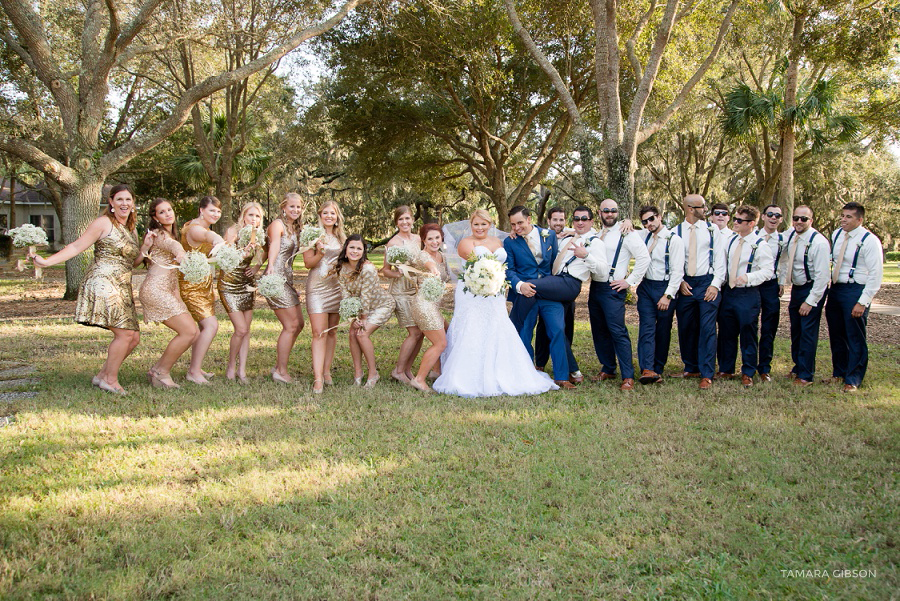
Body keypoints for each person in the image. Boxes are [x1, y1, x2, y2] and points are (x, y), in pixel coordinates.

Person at [30, 184, 145, 395]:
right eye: (119, 199)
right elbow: (76, 246)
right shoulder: (103, 223)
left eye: (128, 200)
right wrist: (47, 262)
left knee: (133, 337)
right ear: (111, 202)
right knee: (125, 334)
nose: (124, 204)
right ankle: (111, 380)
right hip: (102, 281)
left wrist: (146, 249)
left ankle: (102, 376)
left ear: (133, 203)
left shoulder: (131, 229)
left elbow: (133, 262)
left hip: (122, 284)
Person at [434, 209, 558, 397]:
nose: (480, 228)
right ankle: (467, 374)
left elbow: (505, 262)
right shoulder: (465, 243)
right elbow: (479, 263)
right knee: (473, 328)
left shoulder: (500, 241)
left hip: (495, 293)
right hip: (473, 292)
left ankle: (505, 370)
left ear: (490, 225)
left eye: (484, 224)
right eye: (476, 224)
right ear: (471, 225)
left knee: (497, 327)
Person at [504, 206, 573, 389]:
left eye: (520, 223)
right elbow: (508, 270)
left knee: (558, 329)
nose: (517, 228)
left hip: (549, 293)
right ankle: (527, 374)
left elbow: (554, 263)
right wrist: (520, 286)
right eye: (513, 224)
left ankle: (562, 376)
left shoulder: (548, 235)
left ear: (529, 219)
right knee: (524, 333)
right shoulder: (510, 242)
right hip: (525, 293)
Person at [587, 198, 650, 390]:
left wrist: (629, 282)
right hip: (595, 288)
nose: (609, 214)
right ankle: (608, 368)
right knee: (599, 330)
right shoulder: (596, 234)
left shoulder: (627, 233)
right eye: (606, 211)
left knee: (618, 332)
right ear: (599, 213)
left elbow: (644, 258)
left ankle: (628, 375)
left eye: (613, 211)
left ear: (618, 212)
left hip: (613, 289)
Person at [139, 198, 199, 389]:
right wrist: (181, 254)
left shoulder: (169, 235)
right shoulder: (159, 235)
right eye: (162, 212)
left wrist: (179, 299)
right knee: (188, 331)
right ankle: (161, 372)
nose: (168, 214)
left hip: (167, 290)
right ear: (155, 217)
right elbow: (173, 248)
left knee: (193, 332)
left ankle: (157, 369)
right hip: (155, 289)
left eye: (169, 210)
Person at [824, 202, 883, 392]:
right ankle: (839, 372)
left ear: (860, 219)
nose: (843, 219)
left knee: (855, 336)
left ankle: (854, 378)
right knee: (837, 333)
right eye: (842, 215)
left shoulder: (869, 240)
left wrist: (863, 301)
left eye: (848, 217)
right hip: (836, 289)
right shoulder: (837, 234)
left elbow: (875, 274)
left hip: (856, 290)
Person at [716, 205, 775, 387]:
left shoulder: (760, 245)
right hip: (729, 292)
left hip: (748, 293)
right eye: (735, 219)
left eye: (739, 220)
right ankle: (726, 369)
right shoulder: (732, 241)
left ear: (751, 223)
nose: (735, 223)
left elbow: (768, 271)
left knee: (748, 333)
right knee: (726, 331)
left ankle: (748, 371)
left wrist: (748, 277)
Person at [674, 194, 726, 390]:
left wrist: (715, 285)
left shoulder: (714, 231)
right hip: (685, 283)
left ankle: (706, 373)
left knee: (707, 328)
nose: (706, 210)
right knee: (686, 327)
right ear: (689, 208)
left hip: (707, 283)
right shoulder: (675, 231)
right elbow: (673, 261)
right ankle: (691, 366)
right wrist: (678, 281)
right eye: (702, 207)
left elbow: (721, 261)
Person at [778, 205, 830, 386]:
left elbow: (823, 277)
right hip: (797, 289)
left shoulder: (819, 243)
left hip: (812, 289)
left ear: (811, 221)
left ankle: (806, 375)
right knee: (796, 331)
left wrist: (811, 301)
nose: (799, 222)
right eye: (796, 218)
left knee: (808, 332)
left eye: (804, 219)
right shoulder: (792, 234)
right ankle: (798, 367)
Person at [335, 234, 395, 389]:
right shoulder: (341, 267)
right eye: (352, 247)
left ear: (363, 251)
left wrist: (363, 318)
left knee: (362, 333)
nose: (355, 251)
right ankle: (358, 373)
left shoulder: (367, 268)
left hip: (382, 305)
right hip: (361, 307)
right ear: (346, 249)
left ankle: (373, 372)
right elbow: (345, 293)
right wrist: (352, 316)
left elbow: (366, 295)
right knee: (352, 332)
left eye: (359, 248)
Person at [178, 195, 225, 384]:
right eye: (212, 210)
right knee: (211, 326)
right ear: (201, 210)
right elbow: (208, 237)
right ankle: (193, 372)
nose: (216, 214)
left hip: (203, 286)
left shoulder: (200, 226)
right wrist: (218, 240)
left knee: (203, 327)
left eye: (218, 211)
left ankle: (195, 367)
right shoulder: (196, 229)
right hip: (192, 287)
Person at [635, 205, 684, 384]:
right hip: (647, 287)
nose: (648, 224)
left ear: (660, 217)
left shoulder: (674, 240)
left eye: (651, 219)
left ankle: (658, 368)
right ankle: (647, 369)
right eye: (645, 221)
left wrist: (668, 295)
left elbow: (678, 271)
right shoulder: (643, 236)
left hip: (665, 287)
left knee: (663, 329)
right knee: (646, 327)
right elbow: (622, 229)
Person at [218, 202, 265, 383]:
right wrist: (242, 253)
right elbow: (224, 258)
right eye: (251, 215)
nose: (254, 219)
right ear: (243, 216)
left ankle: (242, 370)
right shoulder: (233, 231)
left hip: (247, 284)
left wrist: (256, 267)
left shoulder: (259, 235)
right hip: (229, 283)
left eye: (258, 216)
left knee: (247, 330)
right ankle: (231, 365)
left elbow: (265, 253)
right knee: (241, 329)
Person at [304, 200, 347, 393]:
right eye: (326, 213)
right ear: (320, 215)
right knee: (318, 332)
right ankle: (318, 378)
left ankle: (327, 370)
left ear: (337, 217)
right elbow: (307, 263)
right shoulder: (311, 234)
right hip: (317, 287)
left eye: (333, 213)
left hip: (336, 287)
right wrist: (320, 251)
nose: (329, 216)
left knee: (332, 332)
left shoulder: (341, 238)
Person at [535, 207, 582, 382]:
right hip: (547, 286)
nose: (558, 223)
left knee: (565, 327)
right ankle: (540, 362)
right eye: (555, 220)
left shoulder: (571, 238)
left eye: (561, 220)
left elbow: (590, 230)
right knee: (544, 326)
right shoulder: (542, 236)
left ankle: (568, 366)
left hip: (565, 287)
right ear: (548, 221)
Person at [265, 193, 306, 383]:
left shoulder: (296, 228)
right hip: (276, 278)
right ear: (283, 207)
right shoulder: (277, 225)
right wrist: (271, 266)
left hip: (288, 279)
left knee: (299, 324)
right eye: (292, 207)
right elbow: (273, 245)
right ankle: (281, 371)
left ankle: (279, 365)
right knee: (290, 325)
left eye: (298, 207)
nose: (295, 210)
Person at [381, 205, 424, 384]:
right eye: (401, 219)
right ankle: (398, 371)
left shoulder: (418, 239)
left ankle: (407, 370)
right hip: (401, 291)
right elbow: (385, 270)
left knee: (421, 332)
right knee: (414, 332)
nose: (404, 222)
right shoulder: (393, 243)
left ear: (413, 220)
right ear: (396, 222)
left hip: (417, 289)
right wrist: (398, 273)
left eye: (407, 218)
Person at [405, 226, 449, 393]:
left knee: (448, 330)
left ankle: (436, 372)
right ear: (423, 240)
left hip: (434, 306)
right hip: (423, 305)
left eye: (437, 238)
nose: (434, 241)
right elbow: (429, 264)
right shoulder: (423, 255)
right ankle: (419, 379)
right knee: (440, 343)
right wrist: (433, 269)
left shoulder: (442, 256)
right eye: (430, 238)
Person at [755, 204, 785, 381]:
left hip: (770, 286)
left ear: (781, 220)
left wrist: (781, 282)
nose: (774, 218)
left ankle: (764, 368)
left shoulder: (782, 240)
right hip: (752, 285)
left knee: (769, 328)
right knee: (749, 326)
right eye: (770, 214)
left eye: (777, 215)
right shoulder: (753, 236)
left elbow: (784, 261)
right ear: (763, 217)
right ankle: (747, 366)